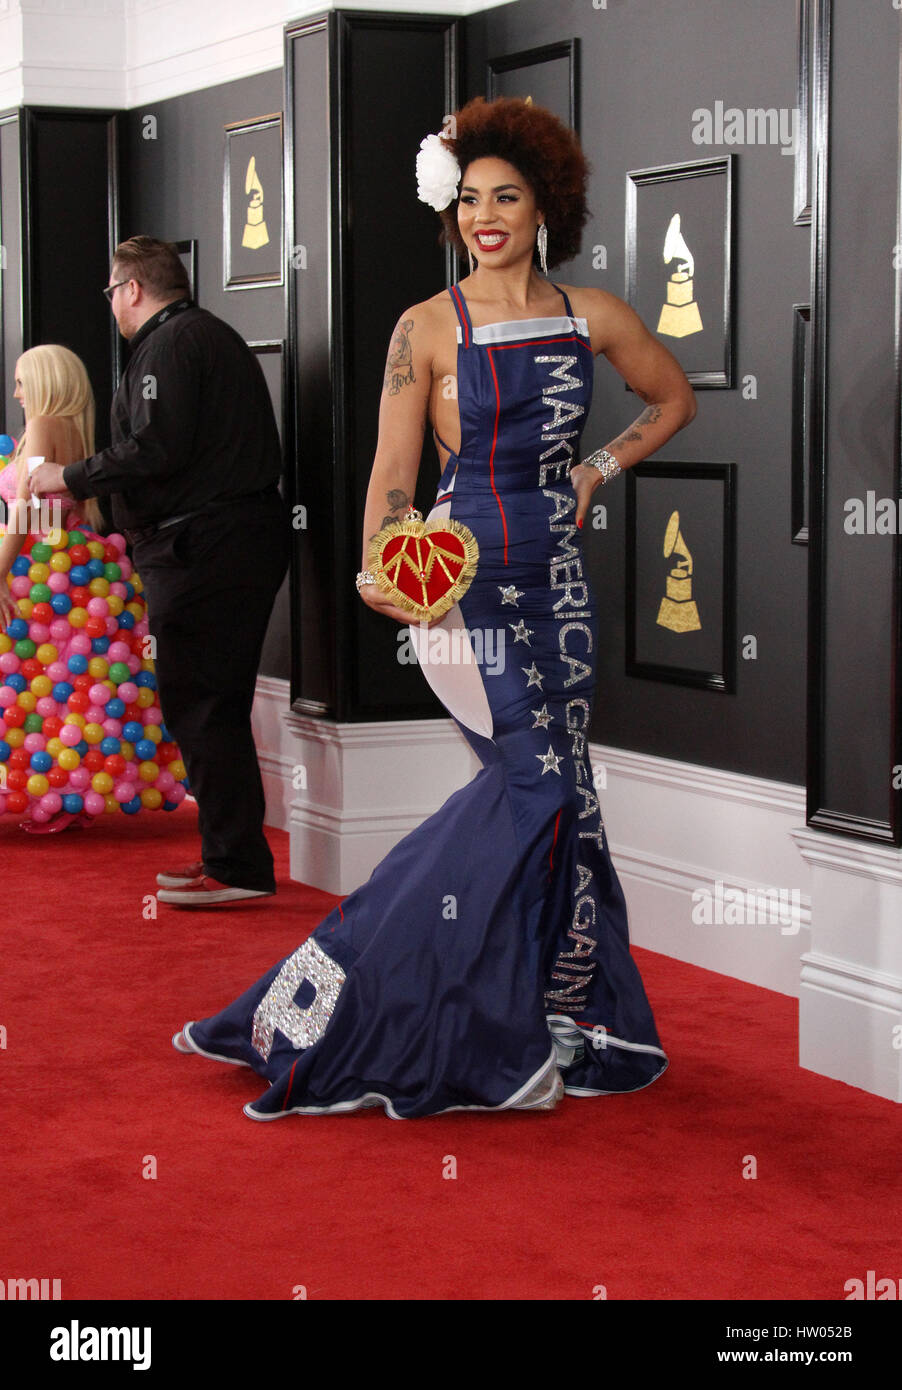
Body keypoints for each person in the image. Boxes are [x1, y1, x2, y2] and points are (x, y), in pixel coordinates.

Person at [172, 96, 696, 1117]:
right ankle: (397, 1002)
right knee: (538, 794)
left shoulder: (593, 315)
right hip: (463, 593)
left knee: (565, 803)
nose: (484, 216)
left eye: (505, 196)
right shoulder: (423, 330)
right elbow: (392, 476)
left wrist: (596, 467)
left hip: (560, 588)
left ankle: (566, 1015)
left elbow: (671, 398)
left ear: (546, 204)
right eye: (467, 200)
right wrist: (382, 565)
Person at [30, 237, 291, 903]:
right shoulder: (203, 338)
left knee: (202, 703)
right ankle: (232, 859)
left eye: (112, 292)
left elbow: (156, 446)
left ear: (133, 289)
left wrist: (70, 477)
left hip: (206, 549)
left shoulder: (172, 345)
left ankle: (235, 869)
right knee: (211, 703)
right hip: (219, 544)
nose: (112, 304)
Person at [0, 344, 184, 832]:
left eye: (22, 382)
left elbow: (26, 514)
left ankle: (49, 787)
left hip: (40, 567)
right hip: (72, 565)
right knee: (66, 686)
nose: (16, 393)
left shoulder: (42, 425)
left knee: (38, 684)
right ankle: (64, 790)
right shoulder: (71, 430)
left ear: (45, 383)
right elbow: (68, 510)